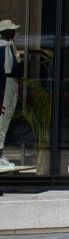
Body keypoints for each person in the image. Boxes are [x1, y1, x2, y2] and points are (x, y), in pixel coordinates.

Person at [0, 19, 24, 172]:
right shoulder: (6, 46)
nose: (14, 33)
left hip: (8, 85)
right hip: (6, 86)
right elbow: (9, 69)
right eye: (11, 30)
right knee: (4, 118)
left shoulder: (7, 45)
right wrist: (19, 61)